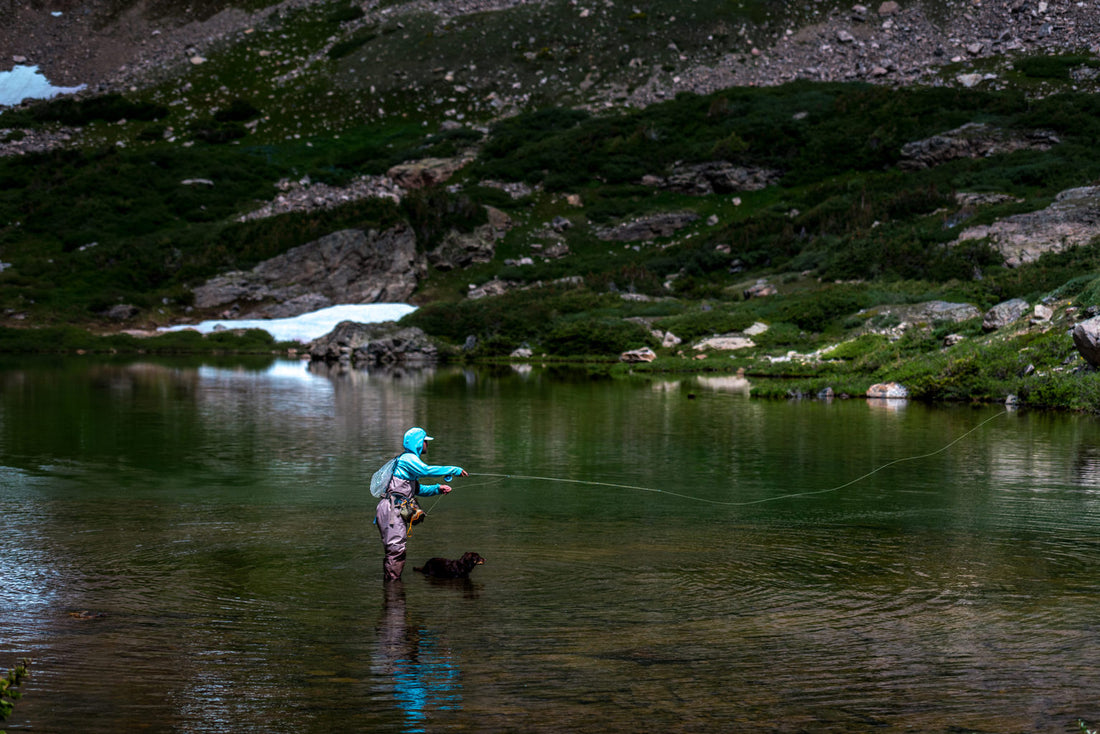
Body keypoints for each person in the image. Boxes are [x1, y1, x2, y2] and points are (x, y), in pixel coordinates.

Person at [375, 426, 467, 581]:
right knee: (396, 550)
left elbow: (417, 488)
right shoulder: (408, 459)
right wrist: (453, 470)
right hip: (392, 510)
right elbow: (426, 470)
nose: (427, 444)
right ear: (418, 443)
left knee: (396, 549)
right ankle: (393, 592)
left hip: (394, 508)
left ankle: (392, 587)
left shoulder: (407, 460)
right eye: (425, 441)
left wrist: (438, 488)